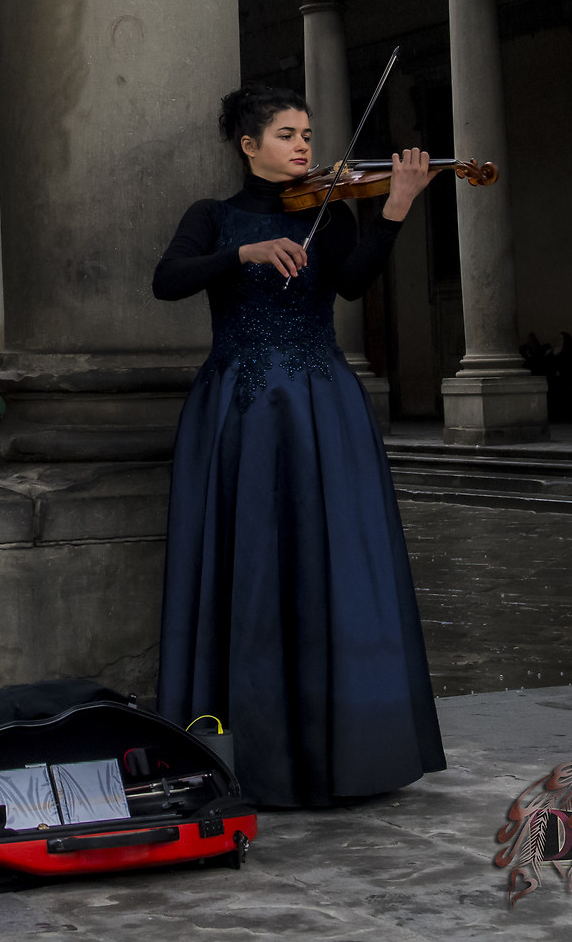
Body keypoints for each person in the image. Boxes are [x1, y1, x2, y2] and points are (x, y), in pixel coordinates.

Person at [153, 83, 447, 808]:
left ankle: (340, 749)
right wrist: (242, 252)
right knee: (248, 566)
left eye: (308, 135)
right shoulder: (212, 217)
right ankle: (249, 748)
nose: (304, 148)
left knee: (332, 564)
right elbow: (166, 281)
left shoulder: (329, 212)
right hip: (242, 406)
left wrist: (397, 207)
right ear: (249, 145)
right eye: (287, 135)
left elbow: (351, 286)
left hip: (322, 405)